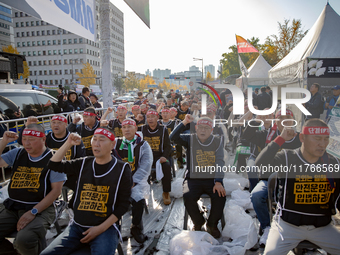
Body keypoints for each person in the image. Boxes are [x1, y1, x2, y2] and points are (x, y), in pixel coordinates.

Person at [41, 128, 132, 255]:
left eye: (102, 140)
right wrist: (68, 143)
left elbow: (123, 205)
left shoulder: (122, 169)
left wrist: (99, 229)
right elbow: (53, 164)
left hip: (105, 228)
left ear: (112, 144)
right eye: (94, 139)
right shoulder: (84, 162)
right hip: (77, 226)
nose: (96, 143)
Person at [258, 119, 340, 255]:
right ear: (302, 138)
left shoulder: (334, 163)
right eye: (317, 138)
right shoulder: (287, 158)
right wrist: (280, 139)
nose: (322, 144)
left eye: (326, 139)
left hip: (322, 227)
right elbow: (260, 165)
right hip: (287, 226)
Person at [0, 125, 66, 255]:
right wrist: (3, 142)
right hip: (13, 206)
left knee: (24, 239)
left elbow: (56, 191)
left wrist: (33, 211)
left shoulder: (54, 157)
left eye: (31, 139)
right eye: (24, 139)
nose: (27, 143)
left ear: (43, 139)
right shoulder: (18, 153)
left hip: (41, 208)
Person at [243, 109, 302, 246]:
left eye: (288, 117)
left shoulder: (300, 138)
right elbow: (247, 136)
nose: (285, 120)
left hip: (294, 181)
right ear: (276, 121)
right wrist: (257, 120)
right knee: (256, 195)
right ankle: (266, 227)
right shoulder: (268, 134)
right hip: (269, 179)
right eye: (281, 118)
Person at [170, 115, 226, 238]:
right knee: (188, 196)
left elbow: (220, 161)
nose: (203, 130)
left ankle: (212, 224)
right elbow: (172, 137)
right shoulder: (190, 139)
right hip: (193, 179)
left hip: (211, 179)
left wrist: (218, 181)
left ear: (211, 130)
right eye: (200, 127)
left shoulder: (217, 141)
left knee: (220, 196)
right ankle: (198, 221)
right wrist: (184, 122)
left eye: (206, 128)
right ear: (196, 128)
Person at [113, 118, 152, 243]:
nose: (126, 129)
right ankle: (113, 227)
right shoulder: (115, 143)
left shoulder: (143, 144)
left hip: (136, 180)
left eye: (130, 127)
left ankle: (136, 226)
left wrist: (132, 181)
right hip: (117, 180)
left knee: (138, 199)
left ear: (136, 128)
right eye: (124, 127)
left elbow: (146, 165)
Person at [139, 109, 172, 205]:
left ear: (157, 118)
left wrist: (164, 156)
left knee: (166, 165)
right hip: (145, 157)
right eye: (148, 117)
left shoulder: (163, 129)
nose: (150, 119)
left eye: (152, 117)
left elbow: (168, 146)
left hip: (159, 157)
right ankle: (141, 192)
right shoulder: (141, 129)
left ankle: (166, 192)